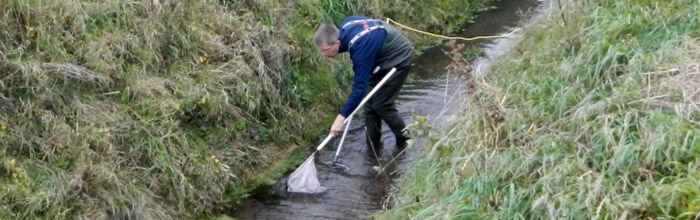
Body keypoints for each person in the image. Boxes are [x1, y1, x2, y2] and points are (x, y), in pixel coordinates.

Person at [314, 15, 413, 157]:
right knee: (369, 105)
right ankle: (373, 148)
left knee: (382, 105)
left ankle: (406, 141)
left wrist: (340, 118)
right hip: (376, 56)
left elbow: (359, 88)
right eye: (321, 51)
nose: (323, 55)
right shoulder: (347, 25)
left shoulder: (360, 50)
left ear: (336, 43)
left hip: (398, 56)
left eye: (325, 50)